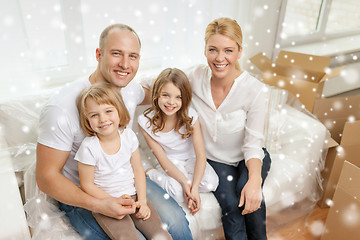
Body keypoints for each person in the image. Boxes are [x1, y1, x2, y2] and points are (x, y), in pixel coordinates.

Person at [36, 24, 193, 240]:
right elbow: (45, 177)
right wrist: (100, 204)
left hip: (128, 182)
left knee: (175, 224)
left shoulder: (130, 89)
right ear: (99, 54)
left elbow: (163, 94)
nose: (125, 64)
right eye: (116, 53)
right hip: (84, 192)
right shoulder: (61, 108)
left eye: (133, 56)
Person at [141, 17, 271, 240]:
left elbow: (253, 144)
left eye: (228, 50)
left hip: (250, 157)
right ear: (205, 50)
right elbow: (156, 82)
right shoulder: (194, 77)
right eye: (213, 50)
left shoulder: (256, 91)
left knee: (249, 196)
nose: (220, 58)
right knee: (231, 205)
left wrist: (254, 180)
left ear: (240, 51)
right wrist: (116, 98)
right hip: (217, 160)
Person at [75, 82, 172, 240]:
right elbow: (87, 185)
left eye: (108, 111)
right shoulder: (88, 148)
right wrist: (112, 201)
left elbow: (138, 170)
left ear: (119, 111)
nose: (103, 119)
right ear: (87, 120)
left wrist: (142, 201)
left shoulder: (128, 136)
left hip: (133, 196)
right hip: (106, 203)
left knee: (162, 236)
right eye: (94, 115)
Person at [137, 68, 219, 215]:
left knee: (211, 183)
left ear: (185, 98)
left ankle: (187, 182)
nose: (171, 102)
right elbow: (162, 159)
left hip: (191, 159)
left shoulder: (191, 116)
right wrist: (185, 183)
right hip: (169, 162)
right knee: (178, 193)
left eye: (178, 97)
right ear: (156, 95)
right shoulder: (144, 121)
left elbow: (201, 155)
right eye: (166, 95)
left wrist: (193, 189)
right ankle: (149, 172)